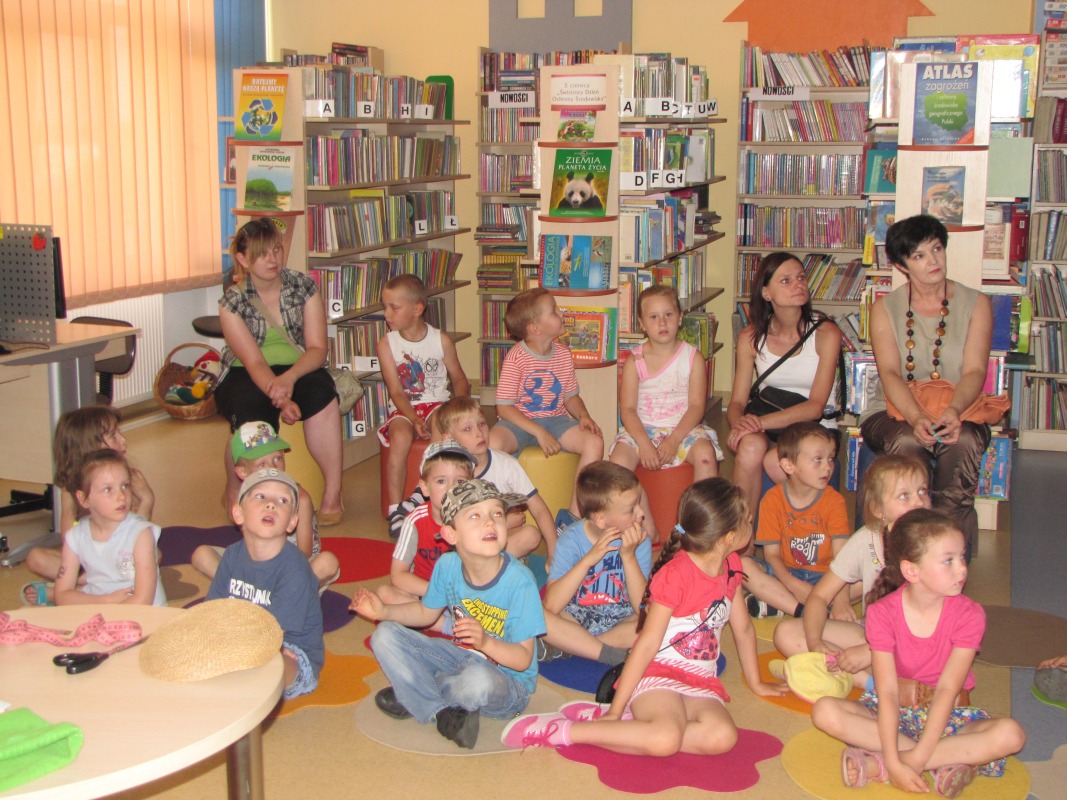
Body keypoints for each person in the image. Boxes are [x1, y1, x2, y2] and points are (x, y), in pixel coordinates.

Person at [500, 478, 784, 754]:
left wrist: (757, 683)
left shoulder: (732, 566)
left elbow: (743, 629)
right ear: (729, 537)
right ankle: (567, 731)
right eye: (748, 520)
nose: (752, 523)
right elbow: (647, 644)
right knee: (665, 739)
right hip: (657, 672)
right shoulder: (676, 574)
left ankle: (632, 727)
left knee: (722, 737)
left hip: (699, 679)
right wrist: (616, 709)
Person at [811, 509, 1025, 797]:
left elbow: (948, 689)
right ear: (911, 571)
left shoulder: (969, 615)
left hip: (949, 715)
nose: (962, 569)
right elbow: (887, 692)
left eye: (962, 557)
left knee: (1011, 734)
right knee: (825, 711)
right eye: (948, 561)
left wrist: (913, 760)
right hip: (893, 713)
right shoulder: (882, 613)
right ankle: (949, 760)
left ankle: (884, 765)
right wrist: (895, 754)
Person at [350, 479, 544, 750]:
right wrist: (384, 611)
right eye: (475, 516)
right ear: (451, 535)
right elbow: (424, 614)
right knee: (384, 634)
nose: (490, 522)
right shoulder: (448, 565)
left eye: (497, 513)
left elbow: (522, 661)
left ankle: (416, 694)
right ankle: (440, 711)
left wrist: (486, 642)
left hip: (507, 681)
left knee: (477, 681)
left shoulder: (520, 582)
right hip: (460, 658)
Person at [862, 214, 993, 560]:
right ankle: (905, 556)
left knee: (962, 441)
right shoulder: (885, 308)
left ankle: (948, 557)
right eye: (919, 255)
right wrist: (916, 416)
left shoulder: (977, 303)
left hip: (959, 405)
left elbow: (975, 370)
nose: (933, 260)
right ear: (901, 265)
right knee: (909, 441)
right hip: (894, 409)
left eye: (936, 249)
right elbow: (890, 373)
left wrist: (954, 411)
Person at [214, 217, 343, 524]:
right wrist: (283, 399)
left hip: (299, 365)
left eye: (276, 249)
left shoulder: (303, 286)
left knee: (323, 396)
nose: (272, 259)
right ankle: (237, 487)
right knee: (250, 413)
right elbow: (254, 362)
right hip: (246, 372)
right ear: (243, 259)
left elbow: (317, 349)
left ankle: (333, 494)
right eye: (261, 253)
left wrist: (290, 378)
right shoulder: (232, 301)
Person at [772, 455, 931, 689]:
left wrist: (871, 651)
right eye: (904, 496)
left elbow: (933, 624)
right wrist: (815, 643)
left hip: (920, 647)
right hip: (872, 638)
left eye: (923, 491)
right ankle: (873, 685)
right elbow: (819, 596)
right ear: (878, 509)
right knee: (786, 633)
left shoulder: (938, 542)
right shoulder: (867, 539)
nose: (918, 502)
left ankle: (870, 678)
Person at [725, 251, 843, 518]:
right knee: (750, 448)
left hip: (815, 426)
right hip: (769, 423)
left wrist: (758, 423)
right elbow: (737, 402)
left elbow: (815, 407)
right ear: (766, 293)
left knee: (775, 461)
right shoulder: (750, 337)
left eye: (801, 277)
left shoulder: (826, 333)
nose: (798, 284)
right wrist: (739, 426)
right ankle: (741, 531)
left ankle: (811, 527)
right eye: (786, 280)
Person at [610, 285, 722, 544]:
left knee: (706, 456)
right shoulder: (635, 361)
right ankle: (646, 523)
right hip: (642, 429)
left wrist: (674, 440)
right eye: (653, 317)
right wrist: (643, 443)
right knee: (617, 465)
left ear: (680, 317)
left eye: (669, 315)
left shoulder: (693, 358)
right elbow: (627, 409)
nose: (662, 322)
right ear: (642, 324)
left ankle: (698, 526)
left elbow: (696, 406)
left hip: (682, 429)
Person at [207, 468, 324, 700]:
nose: (271, 504)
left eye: (283, 501)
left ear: (292, 522)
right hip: (242, 640)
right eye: (260, 497)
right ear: (238, 513)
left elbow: (270, 636)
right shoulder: (231, 555)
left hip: (289, 652)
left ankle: (239, 688)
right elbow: (212, 610)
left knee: (265, 662)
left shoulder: (294, 568)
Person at [22, 405, 155, 606]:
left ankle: (75, 592)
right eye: (113, 435)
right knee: (35, 557)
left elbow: (137, 528)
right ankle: (83, 587)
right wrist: (78, 561)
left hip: (122, 554)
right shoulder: (72, 486)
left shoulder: (127, 478)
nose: (123, 440)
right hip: (88, 557)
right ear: (90, 446)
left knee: (154, 555)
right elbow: (68, 528)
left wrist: (147, 499)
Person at [488, 288, 603, 518]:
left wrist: (583, 415)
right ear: (535, 328)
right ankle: (496, 511)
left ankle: (573, 516)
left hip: (556, 420)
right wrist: (539, 432)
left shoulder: (563, 354)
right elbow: (504, 407)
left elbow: (571, 397)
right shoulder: (516, 357)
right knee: (491, 443)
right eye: (554, 311)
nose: (561, 314)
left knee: (594, 443)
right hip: (518, 422)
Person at [191, 422, 340, 592]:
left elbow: (303, 555)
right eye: (262, 464)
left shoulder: (301, 499)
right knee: (201, 555)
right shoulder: (246, 499)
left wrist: (275, 575)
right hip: (255, 568)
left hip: (291, 570)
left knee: (328, 562)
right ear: (242, 472)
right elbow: (248, 545)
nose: (273, 468)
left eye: (277, 459)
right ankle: (247, 593)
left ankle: (268, 595)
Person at [377, 274, 470, 528]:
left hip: (437, 403)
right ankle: (395, 510)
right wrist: (412, 417)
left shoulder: (440, 340)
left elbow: (459, 379)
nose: (387, 314)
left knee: (440, 424)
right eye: (385, 307)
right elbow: (396, 392)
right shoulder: (386, 344)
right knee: (400, 438)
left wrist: (459, 408)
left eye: (394, 308)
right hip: (404, 407)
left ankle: (422, 492)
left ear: (417, 309)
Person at [539, 461, 652, 666]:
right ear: (600, 520)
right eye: (631, 509)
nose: (641, 513)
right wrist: (588, 560)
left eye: (639, 504)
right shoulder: (571, 540)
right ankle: (603, 651)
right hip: (576, 616)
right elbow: (552, 605)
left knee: (654, 620)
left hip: (621, 618)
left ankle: (579, 647)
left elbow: (641, 608)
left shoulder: (639, 540)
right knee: (538, 615)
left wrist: (628, 557)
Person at [741, 422, 850, 619]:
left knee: (872, 573)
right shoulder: (772, 500)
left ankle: (782, 603)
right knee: (743, 566)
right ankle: (803, 609)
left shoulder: (835, 501)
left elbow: (842, 558)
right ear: (788, 466)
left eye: (831, 458)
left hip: (827, 578)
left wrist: (842, 600)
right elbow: (772, 556)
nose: (828, 467)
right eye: (818, 459)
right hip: (785, 574)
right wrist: (793, 584)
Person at [432, 396, 556, 559]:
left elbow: (539, 510)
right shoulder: (449, 473)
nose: (479, 433)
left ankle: (483, 566)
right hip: (466, 542)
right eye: (467, 429)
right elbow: (447, 523)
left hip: (498, 541)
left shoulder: (507, 464)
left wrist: (555, 553)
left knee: (531, 535)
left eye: (482, 424)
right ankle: (479, 566)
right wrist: (506, 522)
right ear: (449, 439)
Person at [54, 449, 166, 606]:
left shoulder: (140, 533)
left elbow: (143, 600)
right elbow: (61, 595)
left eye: (125, 486)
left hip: (141, 614)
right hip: (102, 606)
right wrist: (107, 601)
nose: (121, 496)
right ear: (83, 498)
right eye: (108, 489)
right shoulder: (76, 536)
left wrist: (107, 614)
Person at [378, 440, 476, 615]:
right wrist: (438, 594)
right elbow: (398, 574)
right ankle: (443, 623)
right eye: (441, 481)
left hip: (465, 595)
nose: (451, 489)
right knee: (385, 594)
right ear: (425, 487)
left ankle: (438, 619)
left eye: (460, 482)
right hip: (426, 591)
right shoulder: (414, 521)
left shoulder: (475, 519)